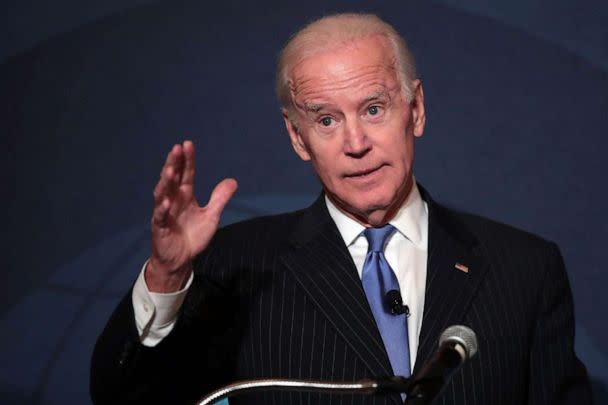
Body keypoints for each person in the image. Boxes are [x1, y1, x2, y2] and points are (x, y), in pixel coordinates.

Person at [90, 13, 592, 405]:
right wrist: (166, 275)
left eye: (374, 109)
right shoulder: (238, 266)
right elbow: (126, 400)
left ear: (415, 110)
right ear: (297, 137)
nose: (356, 143)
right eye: (327, 120)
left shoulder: (524, 268)